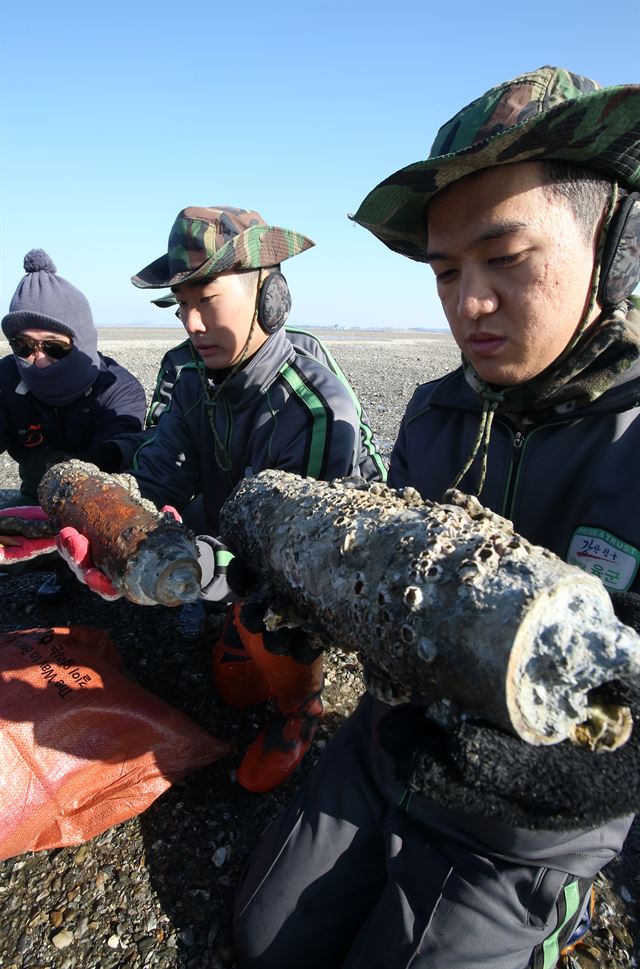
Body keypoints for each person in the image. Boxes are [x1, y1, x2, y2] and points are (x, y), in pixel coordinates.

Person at [231, 67, 640, 968]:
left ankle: (559, 902)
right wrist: (309, 600)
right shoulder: (435, 414)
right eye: (447, 271)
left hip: (524, 826)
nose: (469, 303)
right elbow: (382, 582)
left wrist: (581, 768)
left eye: (505, 258)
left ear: (617, 246)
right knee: (262, 940)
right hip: (390, 748)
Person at [50, 206, 386, 792]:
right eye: (182, 306)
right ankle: (241, 620)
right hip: (236, 546)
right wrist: (107, 522)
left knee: (271, 624)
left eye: (206, 299)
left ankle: (300, 711)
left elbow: (293, 568)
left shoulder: (313, 411)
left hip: (310, 572)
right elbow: (157, 476)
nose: (191, 323)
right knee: (232, 686)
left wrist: (190, 571)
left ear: (270, 296)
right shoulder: (193, 384)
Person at [0, 249, 146, 599]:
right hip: (35, 501)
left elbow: (123, 450)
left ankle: (95, 574)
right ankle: (56, 566)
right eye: (24, 346)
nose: (39, 361)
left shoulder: (119, 389)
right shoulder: (5, 380)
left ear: (80, 342)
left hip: (107, 504)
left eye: (55, 347)